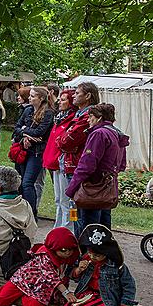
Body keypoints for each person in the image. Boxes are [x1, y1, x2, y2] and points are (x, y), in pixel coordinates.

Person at [65, 104, 129, 234]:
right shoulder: (116, 133)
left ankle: (88, 253)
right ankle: (103, 253)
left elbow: (87, 165)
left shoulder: (99, 134)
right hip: (108, 187)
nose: (88, 120)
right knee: (104, 227)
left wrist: (71, 189)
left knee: (89, 228)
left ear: (99, 118)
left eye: (90, 117)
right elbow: (121, 164)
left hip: (93, 188)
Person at [57, 82, 101, 230]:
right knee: (74, 208)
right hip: (70, 165)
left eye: (77, 93)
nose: (74, 95)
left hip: (77, 167)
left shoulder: (87, 117)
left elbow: (68, 140)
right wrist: (63, 139)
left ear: (88, 96)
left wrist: (64, 140)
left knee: (81, 212)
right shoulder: (78, 115)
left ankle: (82, 245)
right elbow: (61, 138)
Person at [13, 86, 54, 216]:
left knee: (28, 183)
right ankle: (21, 210)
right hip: (24, 149)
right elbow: (17, 128)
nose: (29, 98)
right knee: (20, 182)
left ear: (41, 98)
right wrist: (26, 135)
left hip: (37, 152)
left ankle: (31, 213)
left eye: (32, 96)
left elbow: (40, 132)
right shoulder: (28, 110)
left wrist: (25, 131)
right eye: (29, 95)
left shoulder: (48, 113)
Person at [45, 89, 77, 229]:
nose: (60, 102)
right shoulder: (60, 118)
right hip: (55, 162)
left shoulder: (71, 120)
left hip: (64, 163)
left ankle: (67, 228)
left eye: (64, 100)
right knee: (58, 199)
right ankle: (58, 227)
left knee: (66, 200)